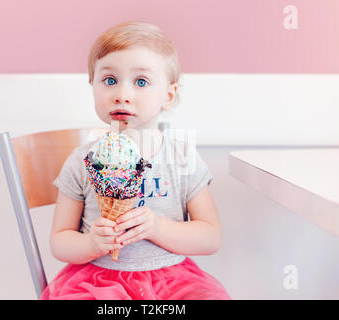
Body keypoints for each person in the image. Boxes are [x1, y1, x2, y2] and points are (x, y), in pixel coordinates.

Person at [40, 21, 231, 300]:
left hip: (172, 282)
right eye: (109, 80)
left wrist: (158, 227)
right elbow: (60, 242)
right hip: (97, 281)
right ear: (93, 86)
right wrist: (92, 243)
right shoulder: (82, 161)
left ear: (168, 95)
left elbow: (210, 237)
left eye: (140, 82)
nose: (122, 95)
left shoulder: (182, 158)